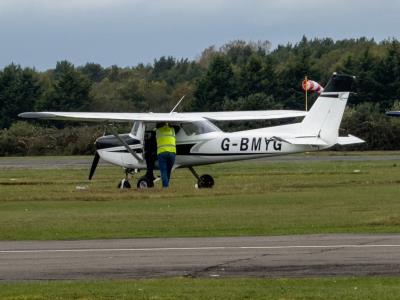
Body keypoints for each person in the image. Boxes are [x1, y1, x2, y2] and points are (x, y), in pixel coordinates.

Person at [156, 122, 176, 188]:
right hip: (172, 152)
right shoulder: (172, 130)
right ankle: (166, 185)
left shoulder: (157, 131)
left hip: (162, 152)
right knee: (168, 171)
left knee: (163, 171)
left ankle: (165, 187)